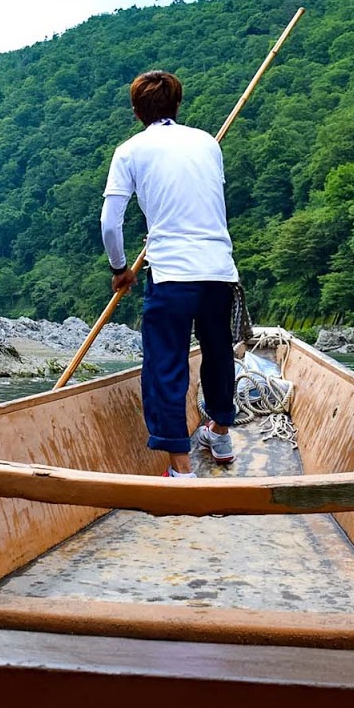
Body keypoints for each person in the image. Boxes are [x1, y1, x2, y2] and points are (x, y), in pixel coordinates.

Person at [101, 70, 240, 478]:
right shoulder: (208, 143)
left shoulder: (129, 151)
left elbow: (110, 224)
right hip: (218, 269)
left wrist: (120, 269)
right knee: (219, 353)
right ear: (178, 105)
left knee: (165, 366)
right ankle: (220, 433)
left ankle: (182, 468)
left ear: (135, 111)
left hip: (171, 274)